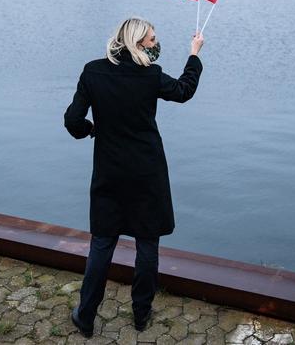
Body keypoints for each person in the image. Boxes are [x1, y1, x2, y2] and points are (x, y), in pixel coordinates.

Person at [64, 18, 204, 338]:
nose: (156, 44)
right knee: (147, 242)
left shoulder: (92, 71)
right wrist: (194, 54)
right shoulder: (150, 75)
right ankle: (141, 315)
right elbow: (184, 91)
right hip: (146, 172)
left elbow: (73, 120)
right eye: (153, 40)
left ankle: (85, 316)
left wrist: (91, 130)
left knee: (102, 242)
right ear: (138, 43)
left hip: (109, 171)